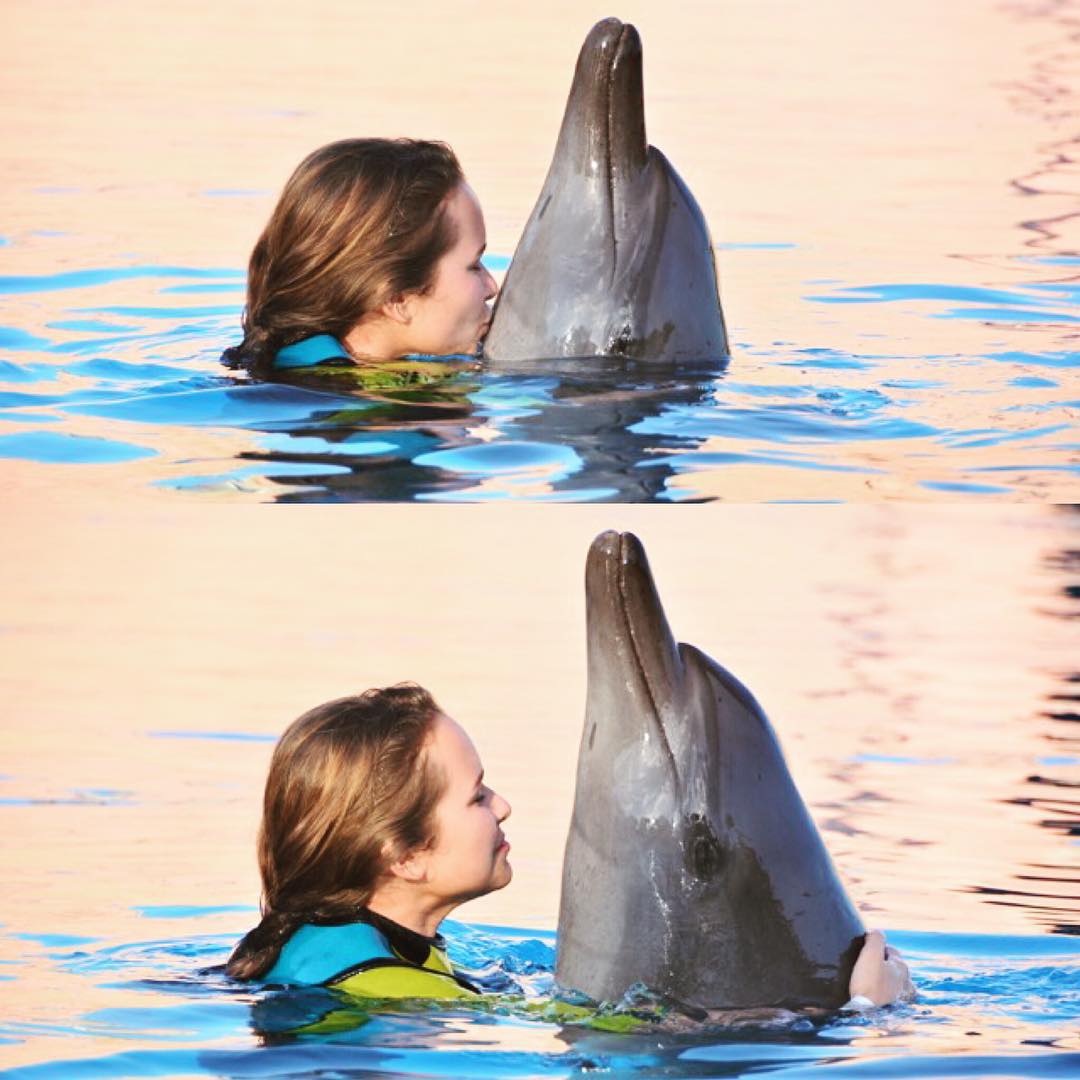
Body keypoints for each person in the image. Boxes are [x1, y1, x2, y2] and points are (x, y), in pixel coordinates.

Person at [227, 684, 912, 1009]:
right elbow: (620, 1033)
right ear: (403, 856)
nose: (503, 805)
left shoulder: (320, 944)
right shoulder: (390, 991)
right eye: (476, 796)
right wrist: (864, 1019)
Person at [222, 139, 499, 387]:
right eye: (474, 265)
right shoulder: (345, 397)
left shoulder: (288, 362)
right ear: (398, 298)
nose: (492, 286)